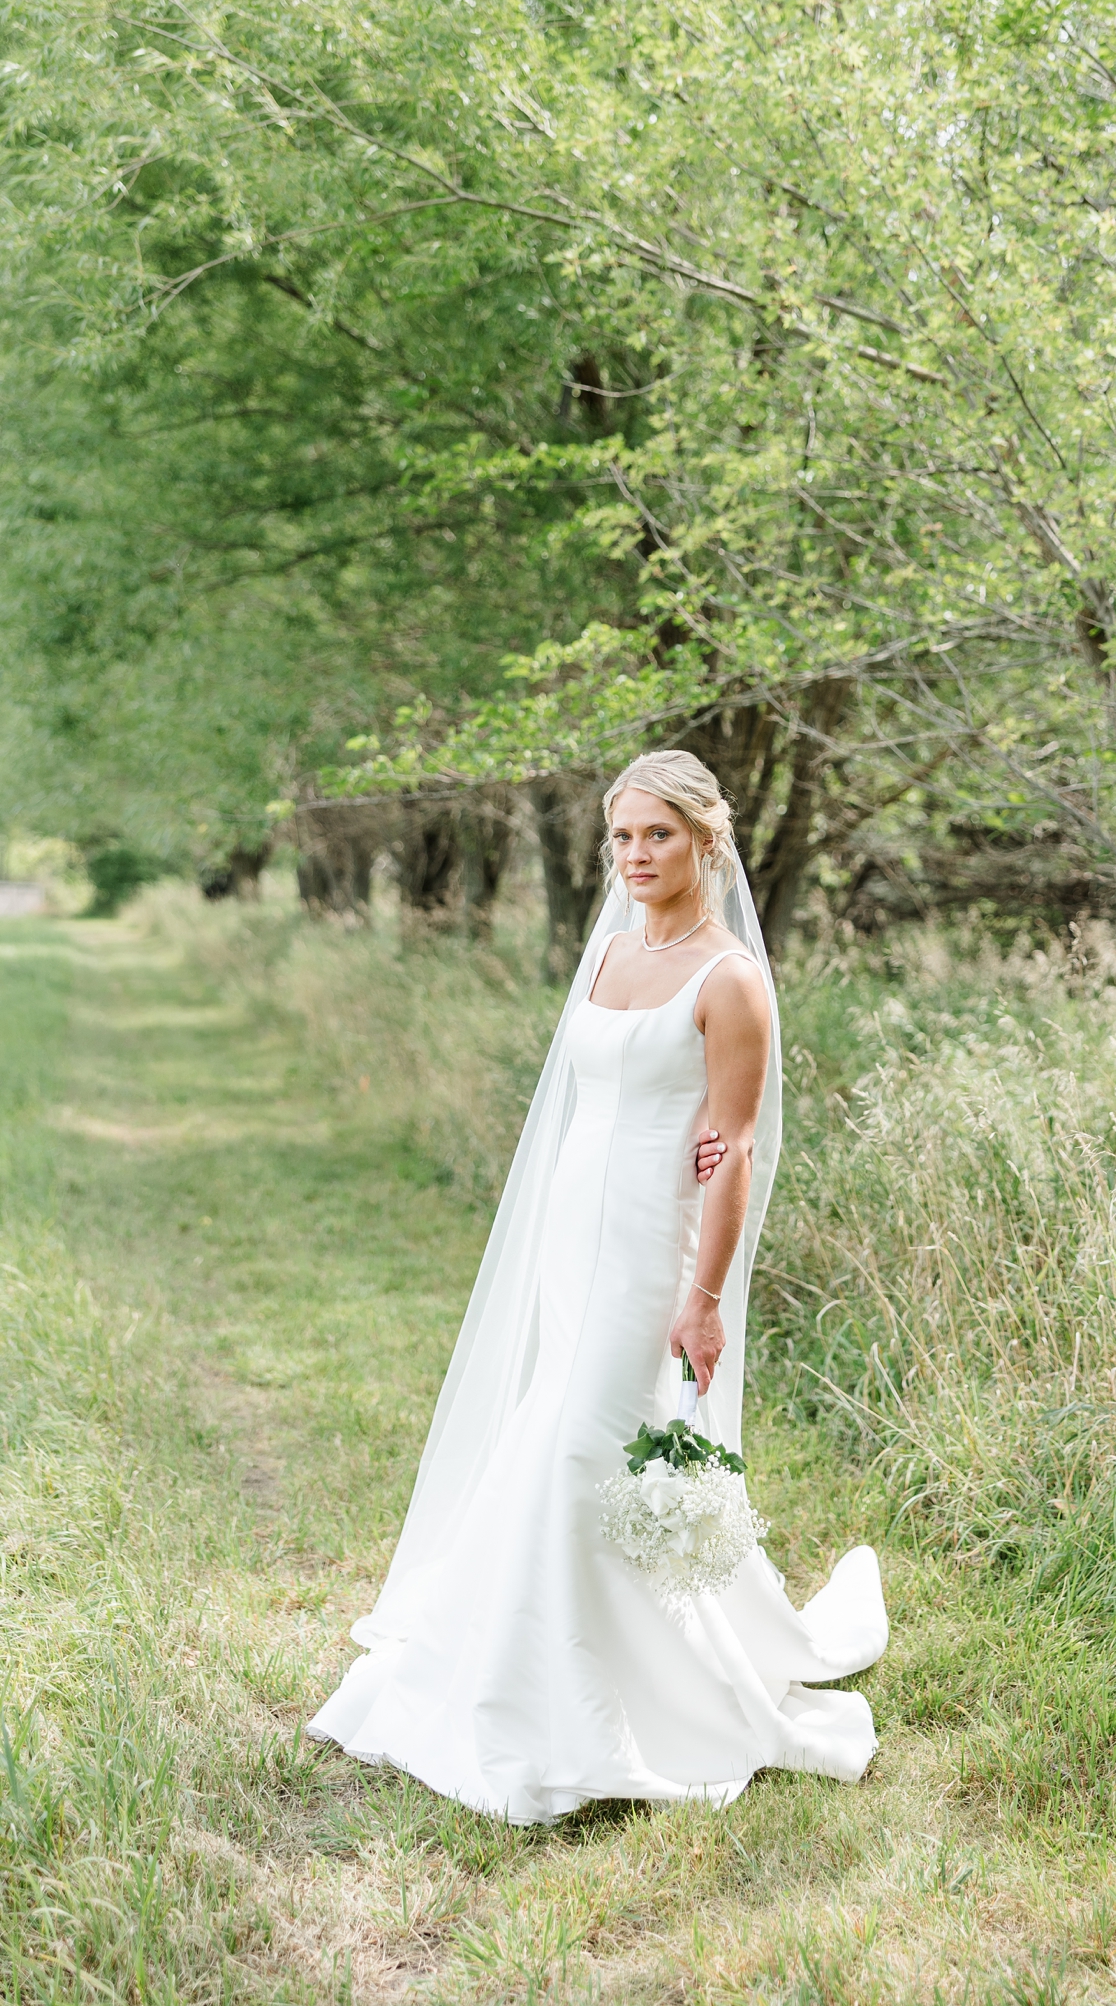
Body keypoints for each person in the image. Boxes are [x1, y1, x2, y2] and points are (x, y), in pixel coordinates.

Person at [310, 749, 887, 1821]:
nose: (634, 855)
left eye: (657, 834)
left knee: (593, 1442)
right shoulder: (612, 956)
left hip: (652, 1246)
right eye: (621, 836)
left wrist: (703, 1296)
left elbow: (732, 1151)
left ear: (706, 840)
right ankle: (513, 1672)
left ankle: (619, 1703)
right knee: (558, 1431)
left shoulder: (732, 981)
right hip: (573, 1232)